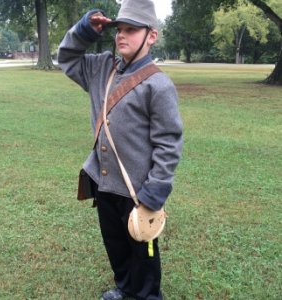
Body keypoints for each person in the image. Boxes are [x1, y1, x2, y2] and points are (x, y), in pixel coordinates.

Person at [58, 0, 183, 299]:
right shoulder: (101, 68)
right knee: (115, 244)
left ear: (151, 36)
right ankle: (125, 289)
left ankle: (148, 295)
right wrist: (85, 29)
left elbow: (169, 143)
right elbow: (67, 57)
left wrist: (155, 191)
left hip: (139, 190)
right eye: (118, 30)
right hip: (105, 183)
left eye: (131, 29)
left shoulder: (159, 85)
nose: (121, 36)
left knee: (143, 251)